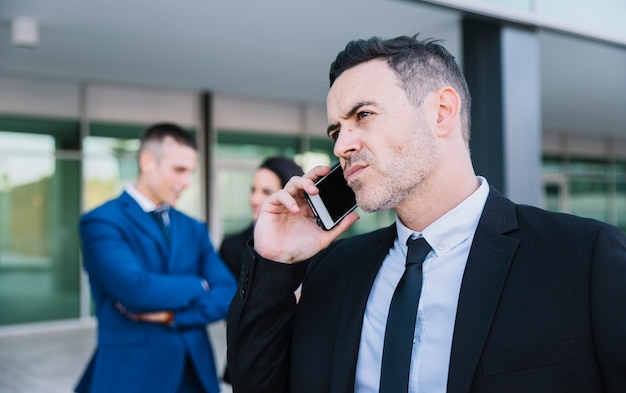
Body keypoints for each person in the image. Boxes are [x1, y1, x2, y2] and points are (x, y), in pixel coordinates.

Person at [226, 35, 626, 393]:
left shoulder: (584, 257)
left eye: (362, 115)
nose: (341, 146)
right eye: (336, 131)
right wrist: (274, 263)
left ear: (442, 112)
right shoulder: (333, 269)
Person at [76, 123, 237, 393]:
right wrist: (199, 284)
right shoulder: (102, 222)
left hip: (195, 374)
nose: (187, 182)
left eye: (191, 172)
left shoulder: (193, 227)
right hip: (133, 374)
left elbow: (228, 292)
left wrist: (172, 316)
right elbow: (136, 291)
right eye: (179, 170)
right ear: (147, 161)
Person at [219, 155, 304, 279]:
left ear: (292, 196)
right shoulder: (231, 248)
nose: (254, 199)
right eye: (253, 190)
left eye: (266, 192)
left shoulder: (314, 246)